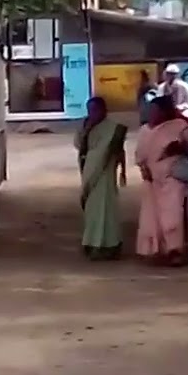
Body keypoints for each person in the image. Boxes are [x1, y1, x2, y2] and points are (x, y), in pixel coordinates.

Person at [134, 94, 188, 265]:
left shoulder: (179, 126)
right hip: (151, 180)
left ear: (165, 111)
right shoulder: (145, 130)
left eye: (155, 110)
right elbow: (140, 156)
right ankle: (158, 249)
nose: (152, 113)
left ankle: (175, 251)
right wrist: (143, 169)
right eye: (151, 110)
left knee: (173, 214)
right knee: (152, 217)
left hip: (173, 178)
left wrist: (181, 146)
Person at [76, 97, 128, 260]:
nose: (92, 114)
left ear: (104, 110)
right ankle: (91, 242)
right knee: (92, 210)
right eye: (90, 110)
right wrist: (87, 130)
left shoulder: (114, 129)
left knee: (107, 209)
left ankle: (110, 245)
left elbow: (119, 151)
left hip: (105, 173)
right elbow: (80, 146)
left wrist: (123, 171)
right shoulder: (85, 126)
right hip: (90, 171)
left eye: (96, 110)